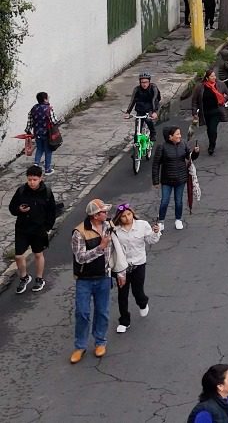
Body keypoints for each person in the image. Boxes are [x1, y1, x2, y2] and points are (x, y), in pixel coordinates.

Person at [71, 199, 126, 364]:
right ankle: (80, 346)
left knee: (102, 312)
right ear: (95, 216)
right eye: (103, 212)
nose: (107, 214)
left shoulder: (109, 226)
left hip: (104, 276)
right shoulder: (79, 232)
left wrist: (120, 272)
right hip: (84, 279)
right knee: (82, 313)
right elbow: (80, 258)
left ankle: (100, 341)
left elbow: (117, 250)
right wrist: (100, 248)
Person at [110, 204, 160, 334]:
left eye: (129, 214)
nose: (127, 218)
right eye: (124, 216)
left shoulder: (142, 225)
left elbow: (150, 240)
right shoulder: (116, 231)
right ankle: (124, 321)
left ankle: (143, 303)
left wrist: (155, 232)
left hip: (138, 264)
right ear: (119, 218)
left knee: (138, 291)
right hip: (122, 267)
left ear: (133, 214)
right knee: (123, 294)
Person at [9, 165, 57, 293]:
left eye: (34, 179)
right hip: (22, 228)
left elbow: (52, 211)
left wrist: (47, 227)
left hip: (39, 229)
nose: (31, 182)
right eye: (29, 179)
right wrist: (19, 209)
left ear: (40, 178)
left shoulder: (46, 192)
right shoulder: (21, 191)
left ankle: (39, 278)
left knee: (38, 254)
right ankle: (24, 277)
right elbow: (12, 208)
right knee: (18, 256)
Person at [152, 126, 199, 231]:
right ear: (170, 136)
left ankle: (178, 219)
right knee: (164, 201)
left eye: (180, 134)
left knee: (179, 201)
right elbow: (156, 165)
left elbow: (190, 158)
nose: (180, 136)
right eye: (177, 134)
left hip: (180, 179)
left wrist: (195, 152)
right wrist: (155, 181)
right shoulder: (162, 147)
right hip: (167, 180)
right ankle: (161, 221)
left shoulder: (183, 144)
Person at [191, 69, 228, 156]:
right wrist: (194, 112)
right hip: (205, 113)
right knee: (209, 129)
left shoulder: (220, 84)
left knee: (212, 129)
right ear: (207, 78)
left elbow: (227, 94)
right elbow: (195, 101)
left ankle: (212, 146)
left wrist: (223, 100)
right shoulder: (200, 87)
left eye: (214, 76)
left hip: (216, 111)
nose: (214, 77)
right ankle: (211, 141)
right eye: (212, 76)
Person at [25, 91, 59, 175]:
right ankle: (47, 169)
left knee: (39, 149)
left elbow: (30, 121)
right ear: (45, 99)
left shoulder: (33, 108)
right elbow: (54, 121)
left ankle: (36, 165)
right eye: (48, 97)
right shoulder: (49, 109)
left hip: (37, 133)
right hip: (47, 134)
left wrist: (28, 130)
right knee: (48, 151)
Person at [125, 73, 160, 141]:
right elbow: (132, 101)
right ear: (140, 82)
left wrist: (154, 112)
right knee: (138, 127)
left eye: (146, 82)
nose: (144, 84)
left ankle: (153, 133)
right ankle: (136, 147)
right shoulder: (137, 89)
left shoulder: (153, 88)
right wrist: (128, 112)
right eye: (142, 82)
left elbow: (154, 99)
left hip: (151, 106)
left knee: (148, 119)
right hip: (140, 108)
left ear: (149, 82)